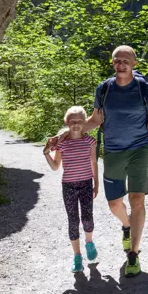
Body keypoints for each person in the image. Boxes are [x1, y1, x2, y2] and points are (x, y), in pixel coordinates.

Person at [51, 46, 148, 278]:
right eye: (117, 60)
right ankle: (126, 226)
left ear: (134, 63)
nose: (121, 64)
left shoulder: (144, 88)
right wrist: (64, 134)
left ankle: (134, 255)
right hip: (113, 151)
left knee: (137, 199)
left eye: (126, 60)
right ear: (113, 63)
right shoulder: (104, 88)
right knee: (114, 204)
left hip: (139, 149)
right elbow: (95, 120)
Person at [42, 106, 98, 273]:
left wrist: (97, 185)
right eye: (72, 122)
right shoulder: (62, 144)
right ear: (66, 122)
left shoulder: (90, 142)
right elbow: (55, 166)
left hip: (87, 183)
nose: (76, 125)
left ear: (84, 122)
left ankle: (89, 242)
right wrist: (46, 153)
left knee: (87, 218)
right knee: (73, 220)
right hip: (69, 186)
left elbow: (94, 163)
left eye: (80, 121)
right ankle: (77, 256)